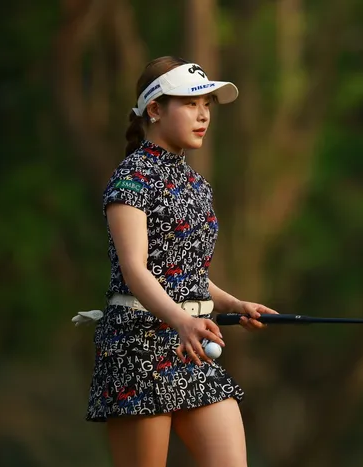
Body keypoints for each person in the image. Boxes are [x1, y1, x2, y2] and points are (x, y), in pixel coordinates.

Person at [83, 56, 278, 467]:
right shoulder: (131, 179)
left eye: (207, 105)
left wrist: (235, 304)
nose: (203, 115)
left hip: (191, 349)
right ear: (155, 110)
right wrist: (181, 320)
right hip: (137, 348)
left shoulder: (196, 184)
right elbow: (135, 271)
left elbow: (186, 273)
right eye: (190, 104)